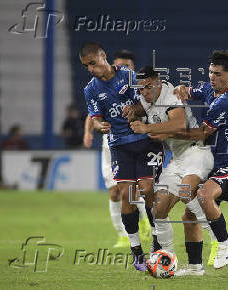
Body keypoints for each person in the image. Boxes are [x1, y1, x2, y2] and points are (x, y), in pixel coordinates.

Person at [79, 42, 164, 271]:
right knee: (126, 195)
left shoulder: (128, 75)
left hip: (144, 141)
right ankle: (136, 250)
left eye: (93, 63)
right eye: (86, 66)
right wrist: (98, 126)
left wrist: (136, 108)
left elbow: (149, 97)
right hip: (119, 145)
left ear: (103, 56)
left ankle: (157, 241)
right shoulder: (91, 89)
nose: (90, 69)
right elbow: (95, 116)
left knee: (148, 190)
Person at [127, 66, 216, 275]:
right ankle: (166, 257)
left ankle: (220, 241)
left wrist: (147, 128)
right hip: (177, 160)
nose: (144, 93)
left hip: (197, 152)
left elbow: (178, 123)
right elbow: (141, 109)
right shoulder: (146, 98)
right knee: (159, 208)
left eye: (148, 87)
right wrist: (132, 110)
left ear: (158, 82)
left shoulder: (170, 95)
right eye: (140, 90)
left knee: (187, 194)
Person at [173, 50, 228, 271]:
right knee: (188, 216)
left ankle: (225, 244)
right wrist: (181, 90)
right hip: (214, 164)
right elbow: (190, 91)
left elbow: (199, 134)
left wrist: (164, 132)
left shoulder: (226, 101)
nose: (212, 77)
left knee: (204, 195)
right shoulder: (210, 89)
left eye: (217, 74)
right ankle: (195, 267)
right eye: (210, 72)